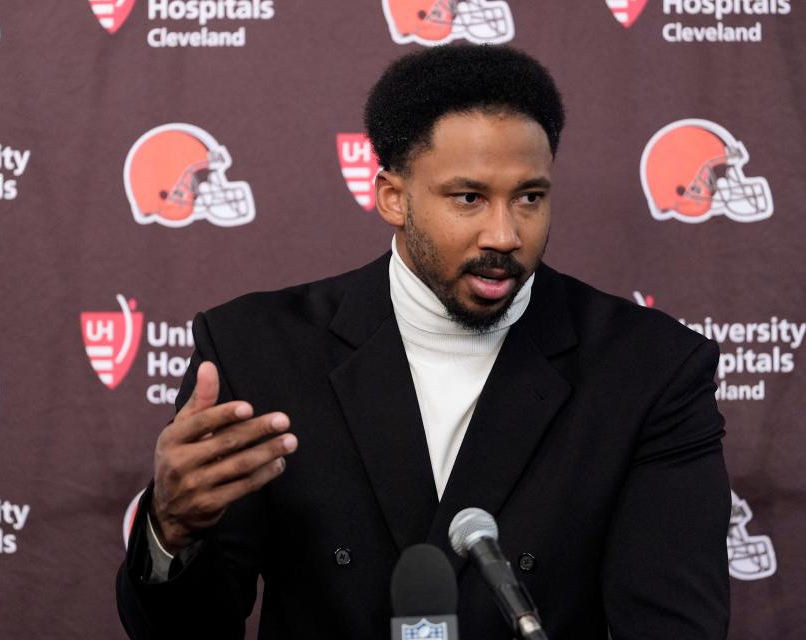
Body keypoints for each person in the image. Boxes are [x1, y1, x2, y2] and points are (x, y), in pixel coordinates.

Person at [116, 44, 731, 639]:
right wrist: (172, 530)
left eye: (530, 198)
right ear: (393, 197)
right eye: (469, 197)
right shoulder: (255, 350)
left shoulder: (649, 369)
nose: (506, 234)